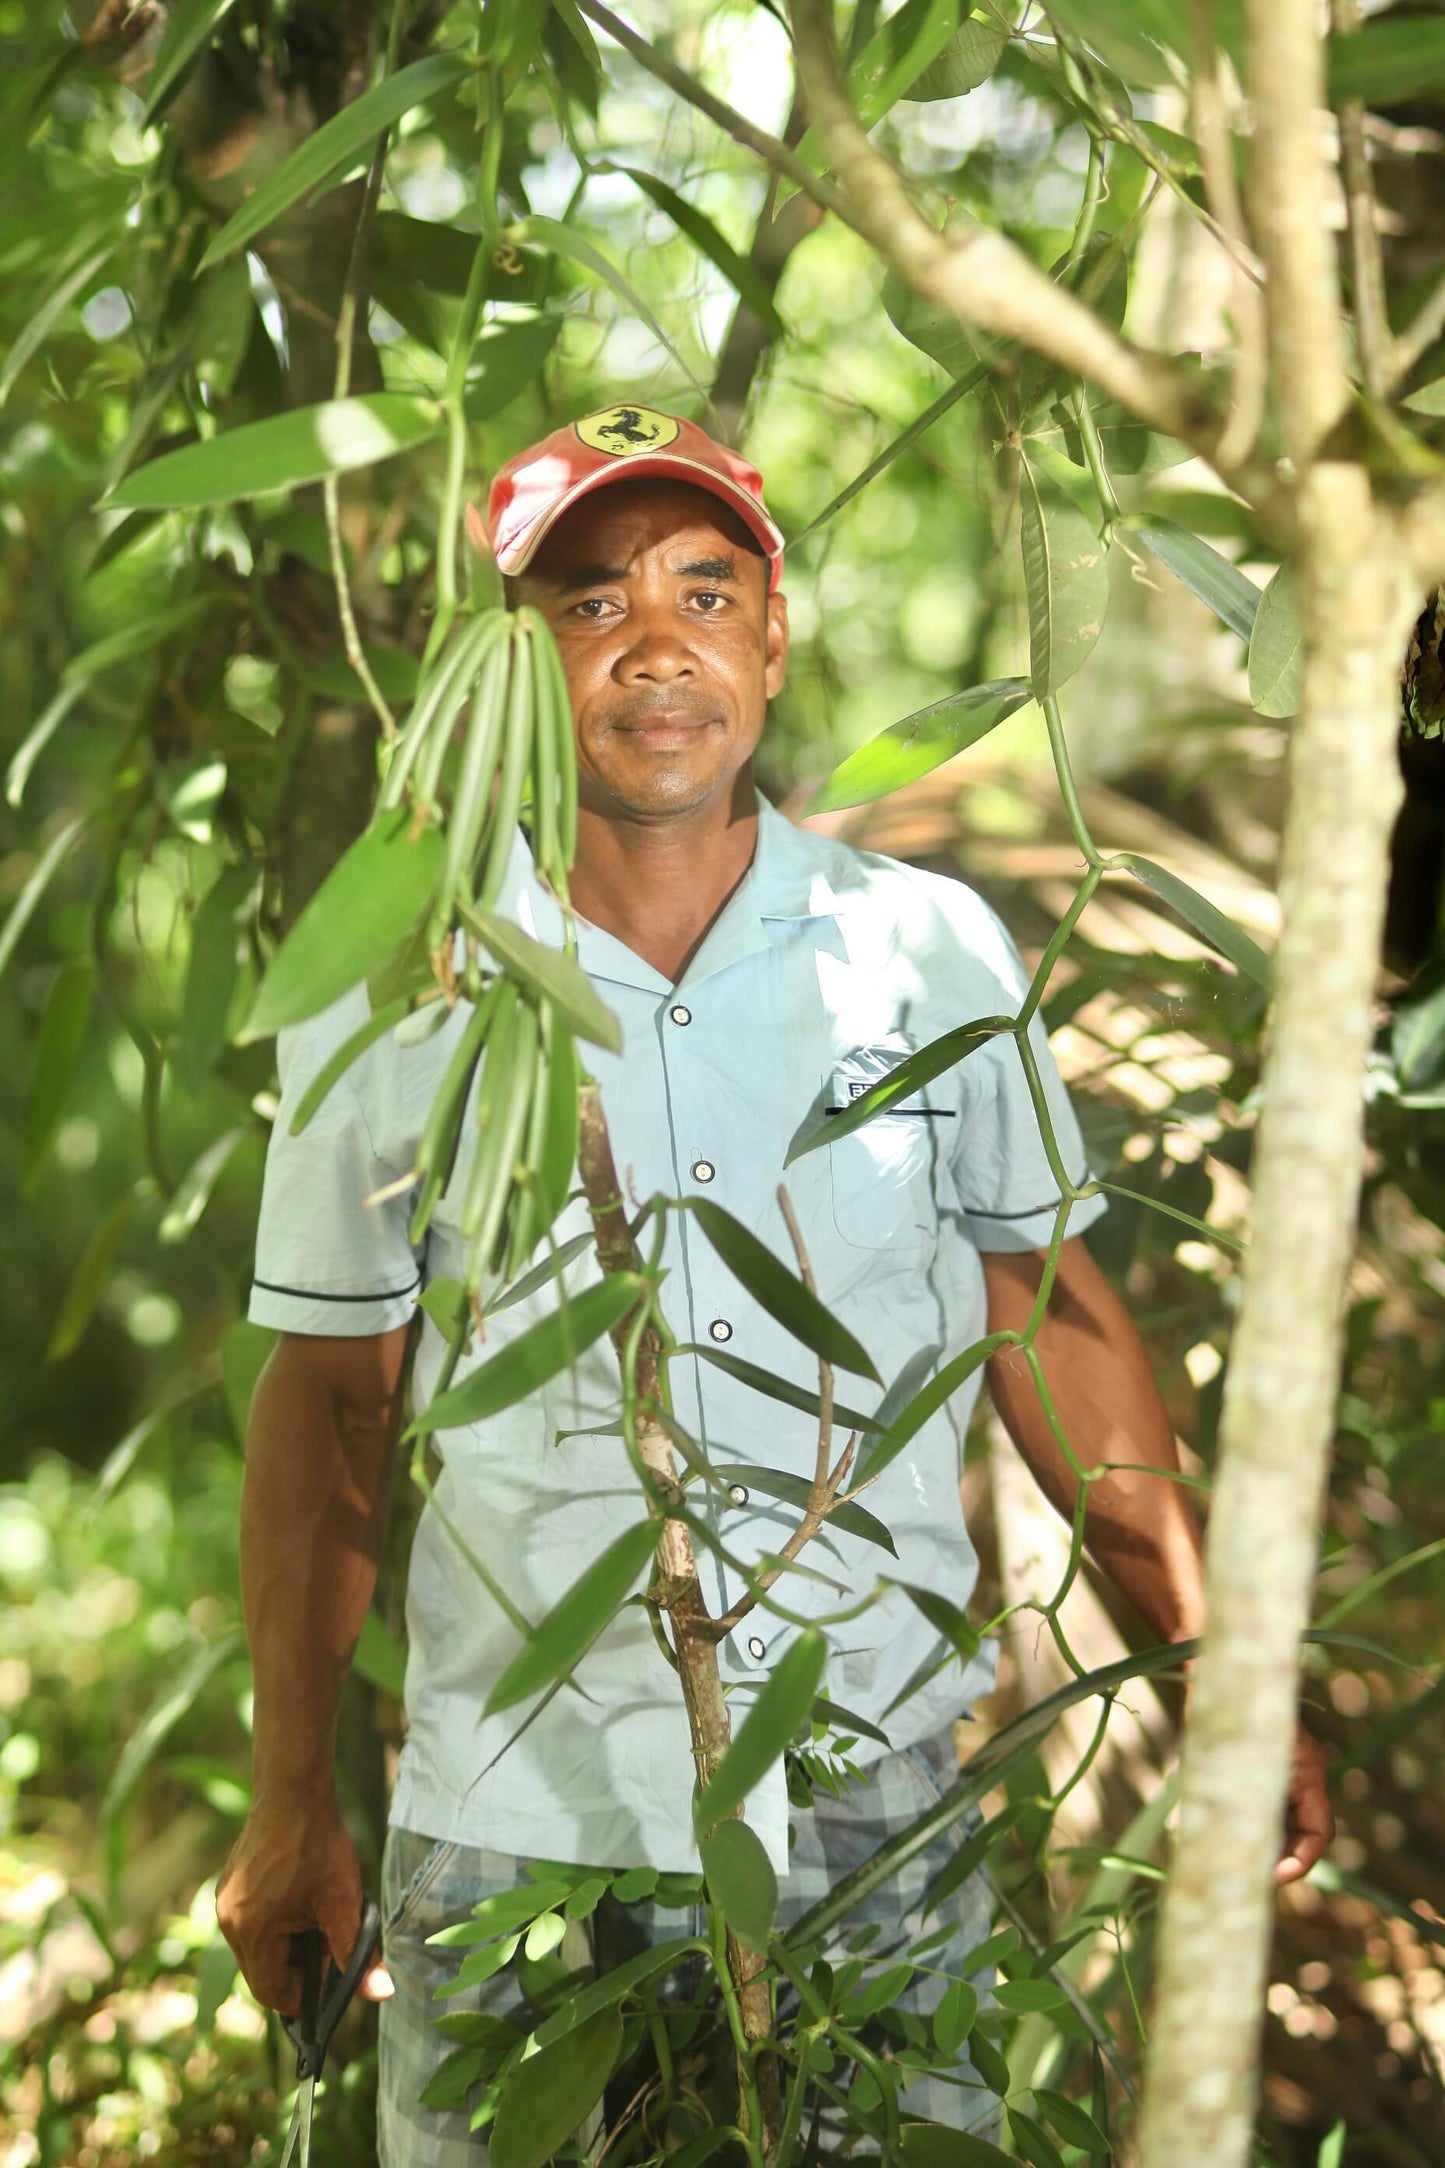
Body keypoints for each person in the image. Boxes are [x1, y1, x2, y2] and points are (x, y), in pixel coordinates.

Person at [216, 403, 1334, 2161]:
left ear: (773, 635)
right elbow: (331, 1404)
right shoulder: (402, 992)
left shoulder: (919, 951)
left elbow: (1045, 1322)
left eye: (702, 589)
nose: (655, 646)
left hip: (873, 1812)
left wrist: (1208, 1667)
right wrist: (290, 1799)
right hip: (523, 1826)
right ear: (508, 665)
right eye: (588, 604)